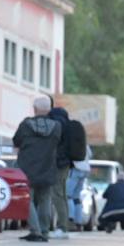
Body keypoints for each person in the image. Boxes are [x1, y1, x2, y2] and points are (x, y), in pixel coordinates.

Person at [12, 96, 62, 242]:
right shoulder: (56, 127)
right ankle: (44, 231)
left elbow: (16, 141)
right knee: (45, 200)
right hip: (48, 167)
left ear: (34, 109)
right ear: (49, 109)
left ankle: (35, 230)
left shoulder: (26, 125)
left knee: (27, 200)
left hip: (27, 169)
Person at [46, 102, 74, 238]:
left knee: (56, 194)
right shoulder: (67, 125)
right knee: (62, 195)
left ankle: (62, 227)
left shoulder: (57, 125)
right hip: (66, 164)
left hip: (58, 163)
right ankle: (64, 226)